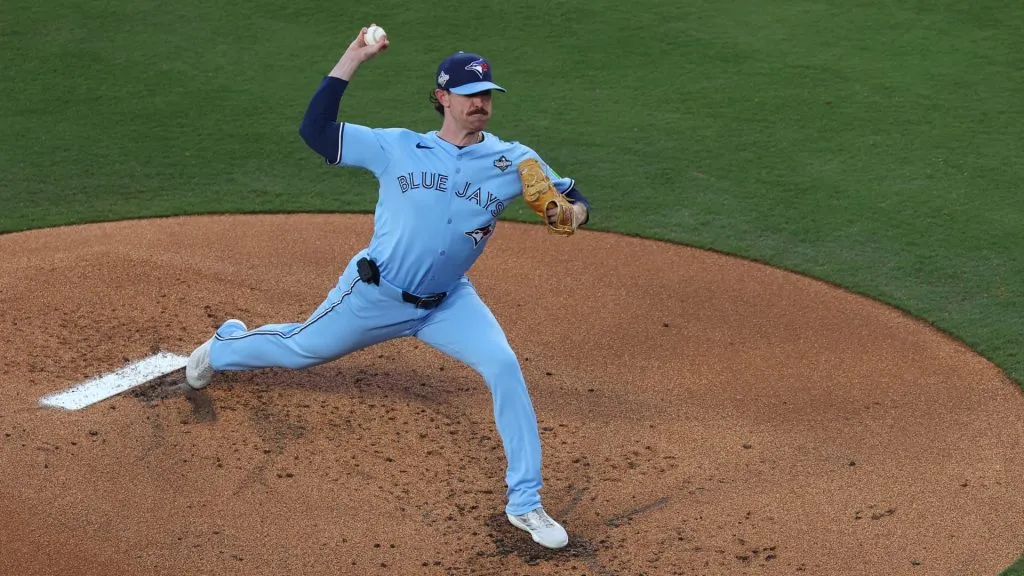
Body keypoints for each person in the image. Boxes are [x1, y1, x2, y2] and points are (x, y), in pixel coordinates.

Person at [185, 25, 591, 550]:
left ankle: (526, 503)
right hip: (375, 294)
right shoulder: (397, 147)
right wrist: (354, 56)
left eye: (486, 95)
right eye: (468, 96)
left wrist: (570, 212)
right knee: (299, 350)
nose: (480, 105)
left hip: (449, 303)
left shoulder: (513, 160)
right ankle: (224, 345)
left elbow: (574, 196)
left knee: (504, 365)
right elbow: (315, 130)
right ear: (443, 98)